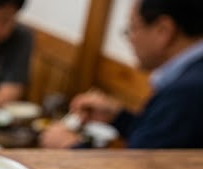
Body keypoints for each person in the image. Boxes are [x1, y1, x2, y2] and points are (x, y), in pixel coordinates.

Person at [40, 0, 203, 149]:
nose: (130, 39)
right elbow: (155, 139)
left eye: (132, 28)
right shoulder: (190, 78)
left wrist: (70, 145)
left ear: (164, 30)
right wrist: (119, 117)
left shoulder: (186, 92)